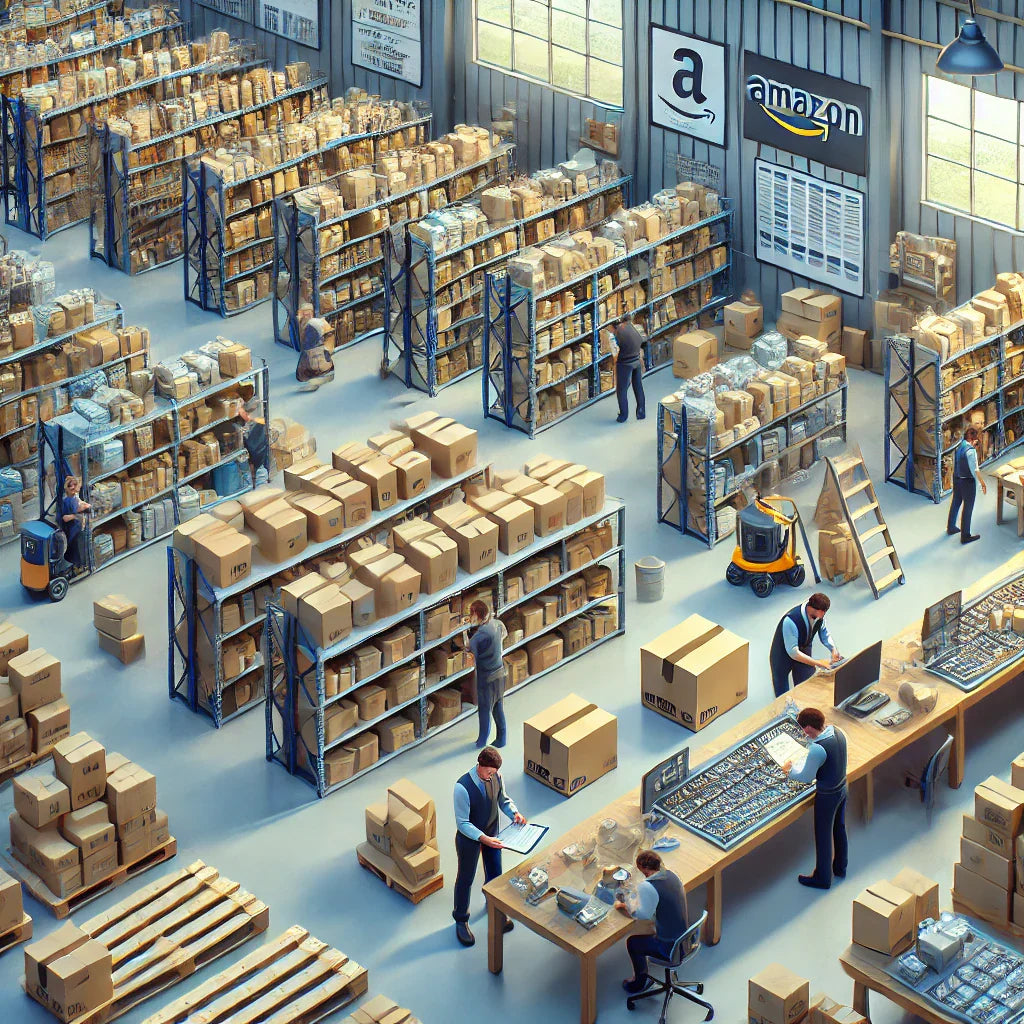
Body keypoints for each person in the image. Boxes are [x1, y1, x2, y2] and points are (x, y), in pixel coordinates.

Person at [452, 746, 526, 947]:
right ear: (480, 765)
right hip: (470, 838)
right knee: (465, 878)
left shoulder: (496, 777)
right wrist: (482, 838)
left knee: (495, 874)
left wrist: (514, 814)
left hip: (493, 833)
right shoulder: (462, 788)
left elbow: (503, 800)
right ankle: (461, 919)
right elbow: (462, 823)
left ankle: (496, 910)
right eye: (488, 772)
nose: (491, 775)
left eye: (494, 773)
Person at [782, 707, 848, 890]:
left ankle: (823, 878)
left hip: (828, 795)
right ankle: (841, 867)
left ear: (809, 728)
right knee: (839, 828)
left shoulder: (818, 749)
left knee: (823, 835)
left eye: (803, 730)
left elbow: (805, 777)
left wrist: (789, 770)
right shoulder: (838, 732)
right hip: (843, 786)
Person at [614, 849, 689, 994]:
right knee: (649, 929)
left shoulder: (648, 886)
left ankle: (640, 982)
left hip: (669, 946)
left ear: (646, 870)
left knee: (633, 943)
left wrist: (624, 905)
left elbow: (642, 915)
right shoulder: (672, 875)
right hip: (684, 938)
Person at [769, 593, 841, 698]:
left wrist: (833, 649)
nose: (823, 616)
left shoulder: (819, 617)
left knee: (807, 683)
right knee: (782, 689)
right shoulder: (791, 620)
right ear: (816, 610)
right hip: (782, 654)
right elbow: (793, 652)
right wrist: (818, 663)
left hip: (803, 646)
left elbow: (824, 633)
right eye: (822, 612)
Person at [465, 600, 508, 748]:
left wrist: (465, 636)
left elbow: (470, 655)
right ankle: (501, 739)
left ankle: (482, 741)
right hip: (500, 672)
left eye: (471, 613)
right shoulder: (497, 624)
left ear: (476, 614)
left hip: (486, 678)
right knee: (498, 707)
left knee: (484, 710)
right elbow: (505, 634)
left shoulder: (478, 637)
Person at [947, 426, 986, 544]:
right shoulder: (971, 451)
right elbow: (975, 470)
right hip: (967, 482)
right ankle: (965, 535)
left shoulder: (960, 447)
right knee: (968, 508)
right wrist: (982, 483)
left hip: (957, 478)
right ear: (973, 439)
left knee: (956, 502)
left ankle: (951, 527)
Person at [611, 316, 646, 423]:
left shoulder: (616, 334)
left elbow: (614, 353)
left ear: (613, 327)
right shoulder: (631, 327)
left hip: (625, 363)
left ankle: (623, 416)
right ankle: (641, 412)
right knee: (638, 386)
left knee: (621, 390)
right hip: (636, 360)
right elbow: (641, 339)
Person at [60, 475, 90, 570]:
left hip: (78, 527)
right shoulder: (66, 501)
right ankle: (76, 567)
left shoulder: (75, 497)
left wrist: (86, 505)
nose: (73, 487)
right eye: (70, 486)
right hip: (72, 530)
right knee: (75, 548)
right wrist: (77, 514)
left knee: (80, 547)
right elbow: (65, 518)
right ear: (66, 488)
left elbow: (80, 503)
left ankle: (81, 565)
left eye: (74, 485)